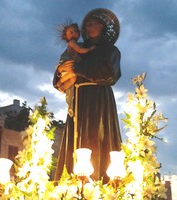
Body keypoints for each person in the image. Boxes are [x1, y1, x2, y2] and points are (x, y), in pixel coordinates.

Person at [53, 8, 122, 183]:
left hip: (99, 101)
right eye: (87, 25)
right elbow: (57, 78)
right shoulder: (77, 49)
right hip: (78, 99)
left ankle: (100, 181)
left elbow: (108, 74)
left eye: (93, 24)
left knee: (97, 136)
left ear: (102, 26)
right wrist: (63, 74)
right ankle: (72, 182)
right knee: (76, 138)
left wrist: (77, 68)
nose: (89, 28)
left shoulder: (111, 51)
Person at [56, 21, 95, 117]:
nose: (73, 34)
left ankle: (61, 85)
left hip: (86, 90)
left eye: (75, 31)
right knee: (72, 75)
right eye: (70, 32)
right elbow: (80, 51)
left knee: (72, 78)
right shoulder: (75, 45)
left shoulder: (83, 45)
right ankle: (60, 84)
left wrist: (80, 60)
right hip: (70, 70)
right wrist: (60, 69)